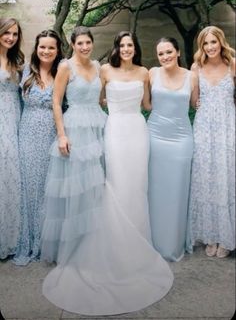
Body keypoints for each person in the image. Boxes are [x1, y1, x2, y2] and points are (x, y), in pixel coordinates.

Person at [41, 29, 173, 316]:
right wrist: (62, 134)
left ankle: (136, 240)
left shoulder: (143, 73)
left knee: (135, 186)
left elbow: (149, 104)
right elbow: (72, 99)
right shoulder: (101, 69)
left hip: (133, 131)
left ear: (135, 48)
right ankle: (97, 241)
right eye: (81, 43)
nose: (126, 49)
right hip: (109, 130)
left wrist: (180, 101)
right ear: (74, 45)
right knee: (108, 184)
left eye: (130, 45)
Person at [13, 30, 63, 266]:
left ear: (58, 50)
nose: (46, 51)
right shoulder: (23, 70)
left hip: (53, 134)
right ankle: (30, 240)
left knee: (49, 187)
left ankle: (49, 243)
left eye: (51, 47)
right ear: (36, 48)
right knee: (31, 187)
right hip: (28, 134)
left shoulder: (63, 72)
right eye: (42, 47)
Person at [147, 37, 199, 262]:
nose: (165, 57)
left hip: (181, 139)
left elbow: (195, 104)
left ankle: (173, 243)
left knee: (177, 190)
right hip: (155, 137)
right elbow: (146, 104)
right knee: (154, 189)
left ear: (178, 52)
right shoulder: (152, 73)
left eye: (169, 52)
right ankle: (151, 242)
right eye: (161, 54)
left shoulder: (191, 76)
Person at [188, 25, 235, 258]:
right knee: (206, 177)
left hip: (228, 126)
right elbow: (194, 101)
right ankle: (210, 235)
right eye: (205, 43)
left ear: (221, 42)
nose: (210, 47)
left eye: (213, 42)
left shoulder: (233, 64)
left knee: (226, 177)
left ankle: (226, 237)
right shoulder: (196, 67)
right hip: (204, 128)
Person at [0, 17, 24, 260]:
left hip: (14, 118)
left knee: (11, 175)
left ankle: (10, 237)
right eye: (7, 33)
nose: (11, 37)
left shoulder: (17, 61)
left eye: (15, 34)